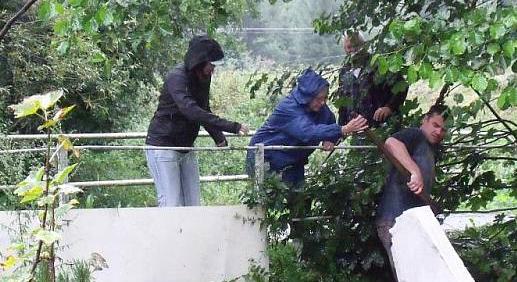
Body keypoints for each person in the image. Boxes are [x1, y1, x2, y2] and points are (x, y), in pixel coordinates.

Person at [375, 106, 449, 282]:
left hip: (412, 221)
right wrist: (414, 170)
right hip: (395, 220)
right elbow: (391, 143)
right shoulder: (415, 136)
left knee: (412, 279)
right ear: (424, 121)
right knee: (407, 281)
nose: (439, 132)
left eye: (443, 129)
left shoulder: (430, 149)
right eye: (435, 125)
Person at [146, 34, 249, 207]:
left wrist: (218, 135)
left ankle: (190, 235)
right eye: (211, 65)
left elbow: (203, 108)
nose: (213, 70)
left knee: (193, 204)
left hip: (186, 146)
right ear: (200, 61)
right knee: (171, 203)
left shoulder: (203, 77)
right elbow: (191, 110)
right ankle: (168, 234)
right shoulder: (177, 77)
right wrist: (233, 126)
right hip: (162, 145)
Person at [246, 67, 367, 187]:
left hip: (293, 162)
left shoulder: (319, 107)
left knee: (298, 200)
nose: (323, 102)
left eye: (325, 98)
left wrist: (330, 138)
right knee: (264, 200)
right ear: (307, 97)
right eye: (319, 99)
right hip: (265, 158)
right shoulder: (288, 107)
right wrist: (342, 129)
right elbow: (307, 132)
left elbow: (329, 119)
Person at [336, 32, 408, 129]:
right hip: (357, 130)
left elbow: (401, 86)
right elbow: (343, 106)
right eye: (349, 47)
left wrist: (389, 107)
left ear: (364, 45)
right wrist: (341, 130)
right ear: (344, 49)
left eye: (356, 45)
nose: (353, 50)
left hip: (383, 127)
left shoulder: (378, 64)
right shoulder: (344, 72)